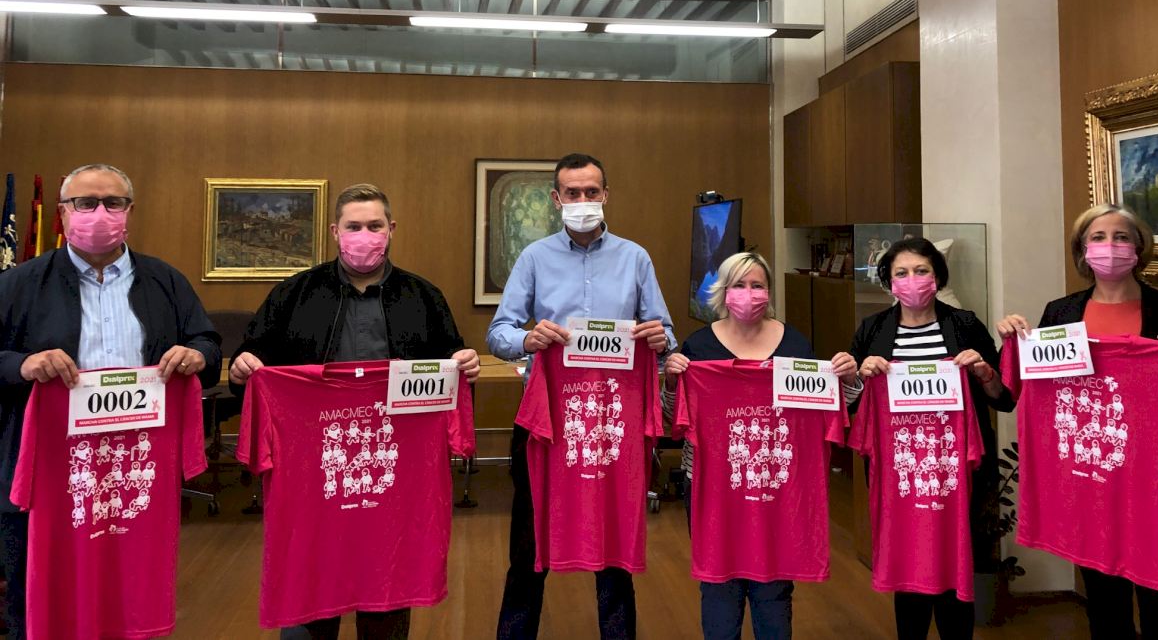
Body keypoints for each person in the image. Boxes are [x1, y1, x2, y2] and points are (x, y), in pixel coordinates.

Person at [229, 182, 480, 640]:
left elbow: (451, 367)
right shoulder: (294, 293)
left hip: (395, 467)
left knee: (388, 579)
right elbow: (254, 356)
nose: (365, 235)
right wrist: (244, 366)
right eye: (354, 226)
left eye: (374, 225)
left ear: (391, 229)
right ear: (334, 232)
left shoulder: (423, 296)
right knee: (312, 578)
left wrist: (464, 365)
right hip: (313, 467)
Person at [0, 163, 222, 639]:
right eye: (85, 203)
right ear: (63, 212)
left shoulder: (165, 281)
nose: (99, 213)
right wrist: (22, 365)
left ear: (129, 211)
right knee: (37, 597)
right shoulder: (19, 283)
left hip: (135, 468)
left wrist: (197, 355)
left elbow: (207, 342)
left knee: (130, 591)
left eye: (113, 202)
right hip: (47, 471)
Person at [487, 152, 674, 640]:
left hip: (613, 423)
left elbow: (666, 335)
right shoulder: (534, 258)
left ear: (606, 194)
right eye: (573, 193)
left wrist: (660, 339)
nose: (583, 200)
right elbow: (499, 332)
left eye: (592, 191)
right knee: (528, 548)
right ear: (557, 199)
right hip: (546, 421)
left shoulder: (635, 258)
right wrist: (527, 339)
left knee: (614, 553)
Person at [996, 203, 1158, 640]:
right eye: (1098, 237)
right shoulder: (1060, 314)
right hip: (1090, 484)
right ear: (1083, 250)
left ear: (1139, 247)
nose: (1110, 246)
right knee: (1104, 603)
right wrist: (1011, 342)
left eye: (1121, 237)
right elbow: (1019, 393)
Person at [832, 236, 1012, 640]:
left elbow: (1004, 398)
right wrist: (859, 377)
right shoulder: (873, 329)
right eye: (901, 273)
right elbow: (851, 406)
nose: (912, 280)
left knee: (956, 572)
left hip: (958, 474)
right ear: (889, 281)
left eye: (921, 271)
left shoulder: (964, 324)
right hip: (899, 475)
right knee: (908, 572)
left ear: (937, 277)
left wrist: (984, 372)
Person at [663, 251, 812, 639]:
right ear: (724, 291)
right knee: (719, 582)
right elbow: (672, 417)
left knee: (774, 582)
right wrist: (672, 382)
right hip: (712, 485)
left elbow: (823, 410)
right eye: (739, 285)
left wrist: (847, 379)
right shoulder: (698, 347)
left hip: (776, 484)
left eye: (757, 285)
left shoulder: (795, 345)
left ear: (769, 291)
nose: (749, 293)